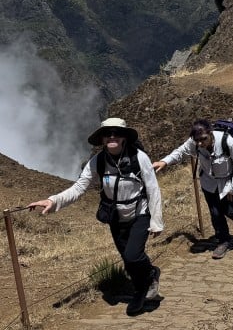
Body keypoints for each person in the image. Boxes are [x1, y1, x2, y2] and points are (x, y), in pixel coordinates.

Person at [28, 117, 163, 316]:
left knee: (132, 255)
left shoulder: (139, 157)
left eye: (116, 132)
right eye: (107, 133)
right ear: (101, 139)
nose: (112, 136)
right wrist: (53, 201)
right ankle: (146, 280)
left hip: (139, 213)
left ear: (124, 137)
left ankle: (144, 285)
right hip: (115, 217)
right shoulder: (98, 162)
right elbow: (79, 188)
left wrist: (156, 221)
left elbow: (153, 189)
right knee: (127, 260)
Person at [153, 119, 233, 259]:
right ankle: (223, 241)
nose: (200, 143)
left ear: (210, 133)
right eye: (197, 140)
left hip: (229, 181)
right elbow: (180, 151)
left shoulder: (227, 142)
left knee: (230, 210)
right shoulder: (194, 143)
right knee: (215, 213)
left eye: (203, 139)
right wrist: (164, 161)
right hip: (209, 182)